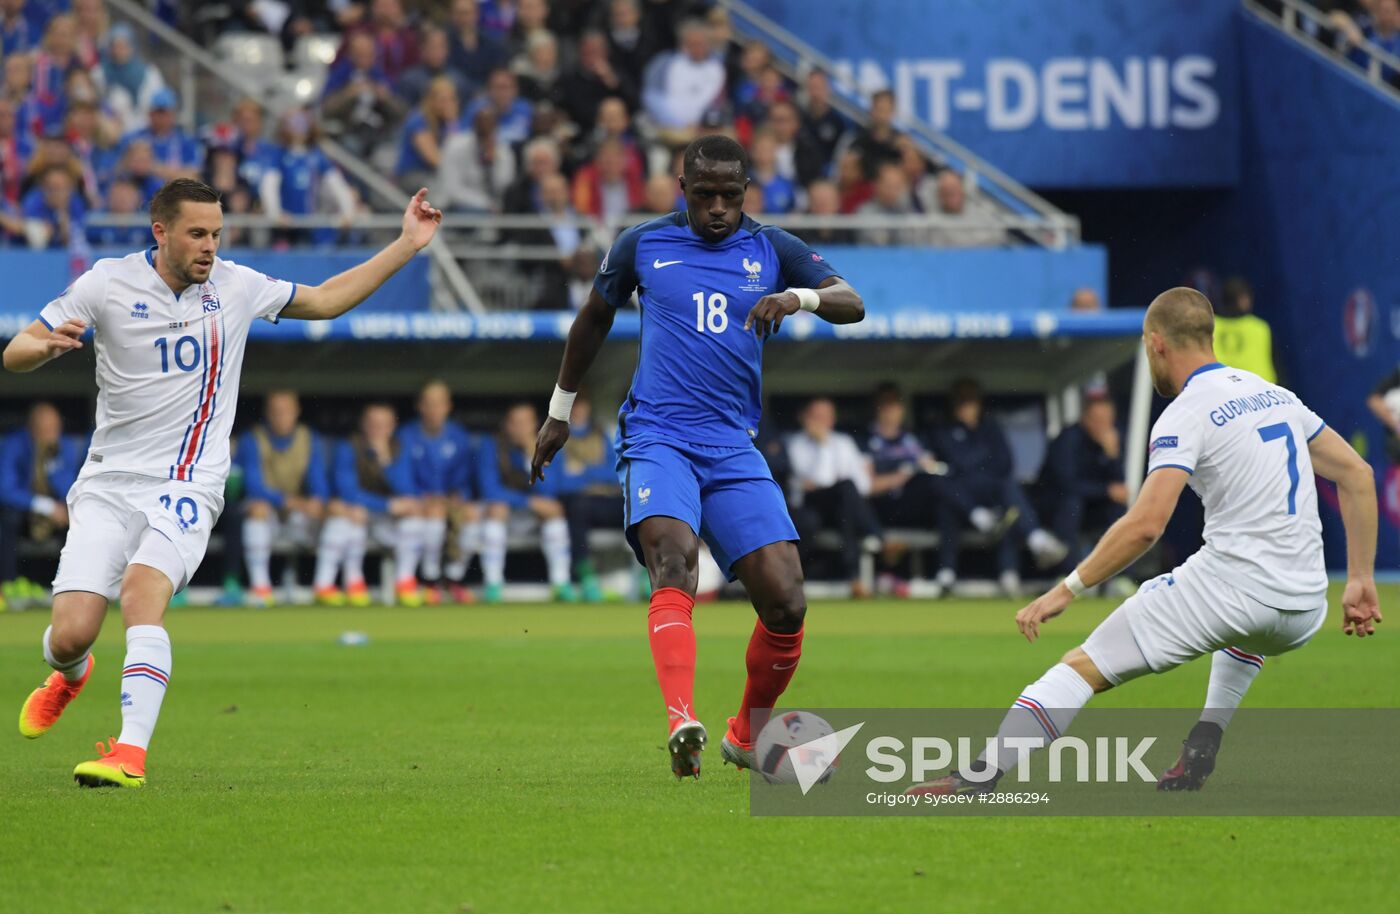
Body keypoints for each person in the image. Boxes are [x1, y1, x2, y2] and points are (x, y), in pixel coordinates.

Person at [4, 178, 443, 788]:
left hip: (189, 481)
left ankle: (129, 753)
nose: (209, 247)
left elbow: (323, 301)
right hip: (107, 482)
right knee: (71, 633)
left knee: (140, 594)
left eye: (216, 234)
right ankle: (70, 675)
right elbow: (17, 350)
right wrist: (40, 350)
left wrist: (406, 244)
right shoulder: (106, 281)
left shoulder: (236, 287)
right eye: (196, 234)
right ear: (160, 232)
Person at [910, 287, 1382, 797]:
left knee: (1080, 667)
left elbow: (1146, 525)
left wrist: (1067, 587)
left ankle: (975, 777)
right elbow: (1356, 474)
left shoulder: (1184, 413)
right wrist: (1359, 579)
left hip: (1236, 591)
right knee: (1245, 628)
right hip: (1306, 606)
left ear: (1157, 344)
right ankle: (1206, 736)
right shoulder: (1273, 393)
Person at [530, 134, 866, 779]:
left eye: (730, 197)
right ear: (681, 189)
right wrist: (559, 411)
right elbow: (591, 321)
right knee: (674, 560)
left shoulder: (771, 247)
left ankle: (747, 734)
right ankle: (681, 718)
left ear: (746, 194)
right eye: (705, 195)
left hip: (732, 446)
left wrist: (799, 297)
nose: (718, 209)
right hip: (658, 436)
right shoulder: (642, 244)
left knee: (787, 600)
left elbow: (852, 303)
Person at [933, 378, 1068, 595]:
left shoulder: (990, 427)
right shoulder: (943, 430)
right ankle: (946, 573)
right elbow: (952, 467)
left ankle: (1023, 556)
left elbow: (1005, 462)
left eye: (971, 400)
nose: (967, 406)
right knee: (945, 497)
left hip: (991, 491)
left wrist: (975, 465)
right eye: (962, 401)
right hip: (961, 498)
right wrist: (973, 509)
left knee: (1008, 504)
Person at [863, 383, 999, 593]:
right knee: (936, 485)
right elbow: (866, 486)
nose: (892, 411)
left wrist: (925, 468)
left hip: (918, 505)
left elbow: (930, 465)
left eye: (896, 405)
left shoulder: (912, 439)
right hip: (886, 506)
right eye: (886, 405)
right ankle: (977, 515)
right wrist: (901, 476)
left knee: (944, 498)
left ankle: (946, 574)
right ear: (877, 407)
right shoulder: (867, 440)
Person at [237, 390, 330, 607]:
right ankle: (261, 587)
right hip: (269, 510)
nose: (281, 417)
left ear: (296, 412)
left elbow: (319, 481)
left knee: (332, 512)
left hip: (299, 515)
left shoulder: (308, 437)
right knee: (256, 510)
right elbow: (253, 486)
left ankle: (324, 587)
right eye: (276, 412)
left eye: (286, 411)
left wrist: (317, 501)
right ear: (267, 414)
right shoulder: (252, 438)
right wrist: (289, 501)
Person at [785, 397, 883, 597]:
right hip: (810, 505)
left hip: (842, 507)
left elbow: (862, 484)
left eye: (825, 417)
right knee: (845, 490)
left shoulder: (844, 442)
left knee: (845, 497)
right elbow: (818, 481)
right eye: (816, 416)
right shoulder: (795, 444)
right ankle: (876, 534)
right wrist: (822, 446)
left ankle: (855, 577)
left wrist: (836, 482)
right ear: (806, 419)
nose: (821, 422)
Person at [478, 402, 575, 603]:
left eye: (525, 422)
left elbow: (551, 490)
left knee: (554, 511)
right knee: (498, 508)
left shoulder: (548, 445)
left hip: (532, 519)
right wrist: (528, 502)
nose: (520, 428)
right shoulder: (491, 445)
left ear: (535, 425)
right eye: (515, 423)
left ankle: (561, 583)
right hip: (501, 514)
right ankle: (493, 584)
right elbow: (490, 490)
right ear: (506, 425)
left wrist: (531, 452)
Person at [329, 402, 423, 606]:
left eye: (383, 425)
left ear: (391, 427)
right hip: (360, 515)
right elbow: (348, 492)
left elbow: (406, 490)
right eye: (372, 424)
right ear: (363, 425)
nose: (377, 430)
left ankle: (405, 582)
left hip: (387, 522)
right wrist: (386, 505)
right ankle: (353, 583)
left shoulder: (399, 448)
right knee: (352, 517)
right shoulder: (349, 446)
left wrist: (385, 460)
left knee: (414, 517)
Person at [399, 379, 477, 605]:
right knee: (434, 513)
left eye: (439, 404)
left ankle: (454, 578)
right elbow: (402, 476)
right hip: (419, 502)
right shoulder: (405, 435)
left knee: (471, 514)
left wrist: (457, 495)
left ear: (448, 406)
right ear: (420, 406)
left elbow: (464, 478)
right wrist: (421, 497)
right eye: (429, 404)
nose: (434, 410)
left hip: (448, 500)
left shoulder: (459, 436)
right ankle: (430, 579)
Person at [0, 402, 84, 601]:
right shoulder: (15, 444)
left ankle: (70, 586)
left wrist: (49, 461)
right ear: (31, 428)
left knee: (78, 520)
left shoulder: (66, 447)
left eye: (54, 429)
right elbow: (5, 489)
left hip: (56, 515)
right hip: (23, 514)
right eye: (44, 430)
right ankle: (9, 586)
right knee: (7, 519)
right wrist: (45, 507)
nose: (50, 434)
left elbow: (69, 488)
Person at [1039, 394, 1127, 568]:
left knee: (1119, 509)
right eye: (1098, 420)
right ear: (1085, 419)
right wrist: (1106, 490)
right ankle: (1069, 574)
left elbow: (1119, 486)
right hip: (1053, 506)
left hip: (1091, 507)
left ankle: (1119, 575)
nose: (1103, 426)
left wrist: (1113, 457)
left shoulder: (1112, 440)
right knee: (1072, 504)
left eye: (1108, 420)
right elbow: (1067, 485)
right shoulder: (1068, 439)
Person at [557, 391, 623, 602]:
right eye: (573, 406)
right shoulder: (557, 434)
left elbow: (616, 473)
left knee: (637, 507)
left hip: (605, 499)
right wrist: (595, 475)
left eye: (581, 405)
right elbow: (559, 481)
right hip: (577, 503)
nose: (577, 410)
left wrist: (584, 471)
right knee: (578, 507)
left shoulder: (600, 433)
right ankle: (586, 577)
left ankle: (645, 572)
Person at [1212, 276, 1278, 383]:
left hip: (1224, 392)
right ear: (1243, 299)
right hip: (1262, 393)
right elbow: (1277, 365)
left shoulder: (1209, 326)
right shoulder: (1259, 327)